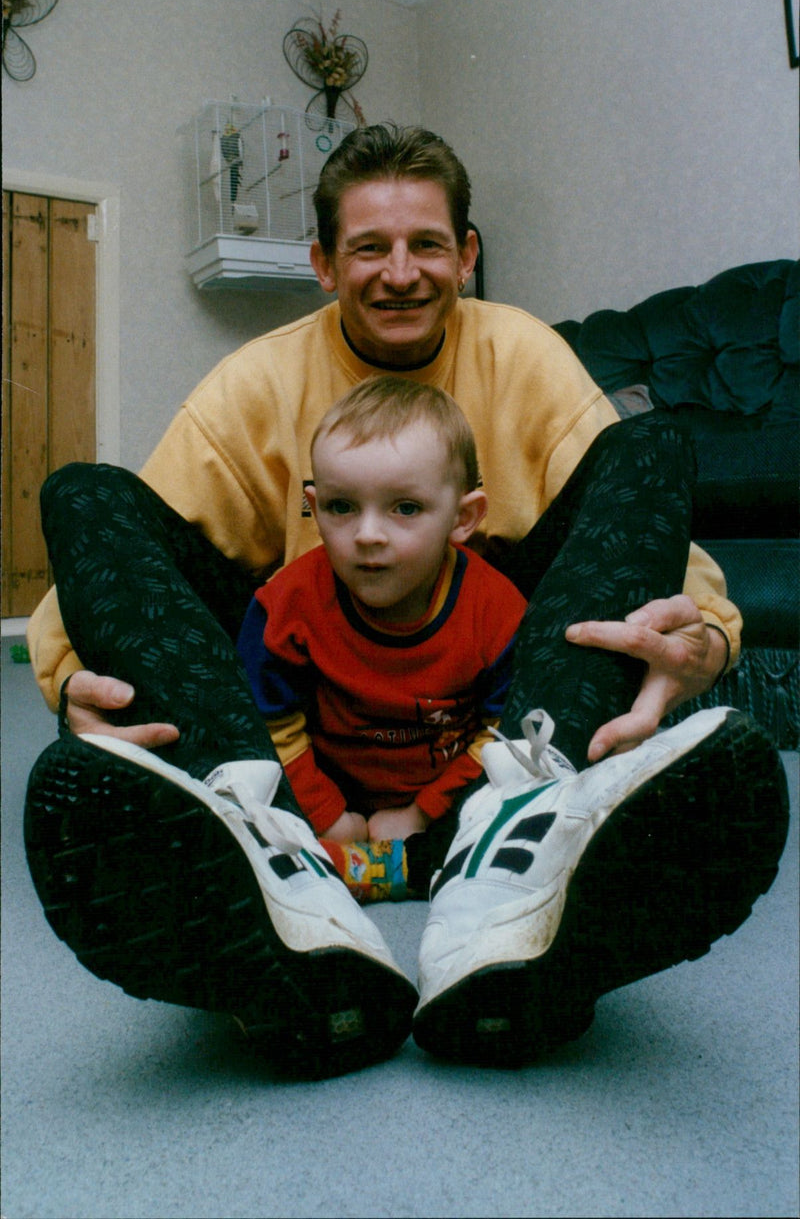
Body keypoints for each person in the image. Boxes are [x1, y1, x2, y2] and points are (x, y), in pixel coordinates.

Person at [24, 124, 789, 1078]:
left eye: (427, 243)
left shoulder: (524, 353)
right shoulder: (255, 381)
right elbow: (99, 570)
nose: (400, 273)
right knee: (80, 493)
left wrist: (710, 638)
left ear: (465, 256)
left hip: (493, 710)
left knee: (654, 446)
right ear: (321, 262)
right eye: (368, 248)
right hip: (299, 728)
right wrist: (69, 690)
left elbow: (657, 530)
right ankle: (265, 846)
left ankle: (508, 840)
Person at [236, 376, 528, 901]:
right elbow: (270, 722)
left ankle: (416, 867)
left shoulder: (497, 611)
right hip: (322, 794)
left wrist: (422, 812)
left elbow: (500, 734)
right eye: (341, 507)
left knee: (524, 790)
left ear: (463, 519)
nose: (368, 535)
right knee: (240, 796)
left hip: (446, 804)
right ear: (313, 504)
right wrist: (327, 814)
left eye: (405, 508)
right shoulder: (284, 607)